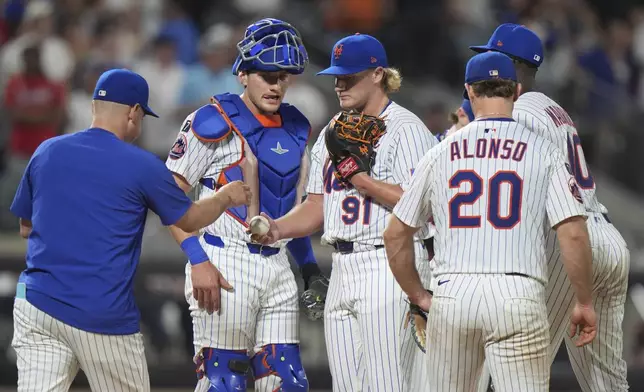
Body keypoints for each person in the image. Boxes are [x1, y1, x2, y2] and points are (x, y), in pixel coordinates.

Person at [9, 68, 251, 392]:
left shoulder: (46, 151)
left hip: (35, 304)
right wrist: (225, 197)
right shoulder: (141, 164)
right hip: (100, 313)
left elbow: (26, 227)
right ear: (134, 112)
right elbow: (188, 219)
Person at [383, 51, 597, 392]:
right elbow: (572, 233)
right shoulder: (543, 150)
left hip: (453, 293)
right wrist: (584, 301)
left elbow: (395, 234)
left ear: (469, 91)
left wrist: (419, 296)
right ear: (515, 90)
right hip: (518, 292)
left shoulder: (440, 152)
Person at [253, 33, 438, 391]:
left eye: (349, 76)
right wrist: (277, 229)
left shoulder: (407, 130)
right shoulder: (332, 132)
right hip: (341, 267)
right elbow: (316, 206)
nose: (339, 84)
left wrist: (364, 181)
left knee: (389, 384)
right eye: (336, 76)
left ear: (377, 74)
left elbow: (423, 204)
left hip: (389, 265)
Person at [164, 18, 324, 391]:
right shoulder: (211, 121)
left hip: (278, 265)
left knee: (287, 381)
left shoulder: (297, 126)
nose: (275, 83)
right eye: (266, 73)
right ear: (243, 74)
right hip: (224, 262)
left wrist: (309, 269)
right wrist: (197, 259)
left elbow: (291, 207)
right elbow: (167, 197)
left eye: (283, 75)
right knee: (224, 381)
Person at [470, 24, 631, 392]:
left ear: (507, 66)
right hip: (606, 237)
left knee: (520, 372)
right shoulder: (552, 107)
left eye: (489, 56)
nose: (482, 62)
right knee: (606, 381)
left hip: (572, 243)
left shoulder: (517, 115)